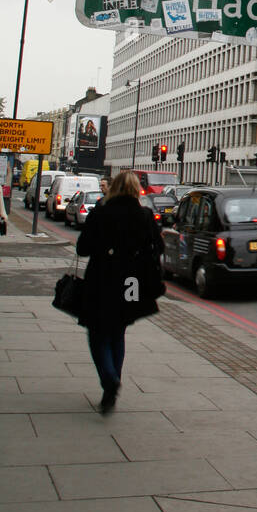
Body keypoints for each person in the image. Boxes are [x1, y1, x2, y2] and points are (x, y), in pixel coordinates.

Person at [76, 170, 163, 413]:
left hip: (101, 279)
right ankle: (112, 382)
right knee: (118, 331)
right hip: (131, 283)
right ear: (136, 190)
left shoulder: (101, 211)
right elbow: (158, 247)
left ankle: (109, 380)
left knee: (97, 332)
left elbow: (82, 248)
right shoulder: (144, 215)